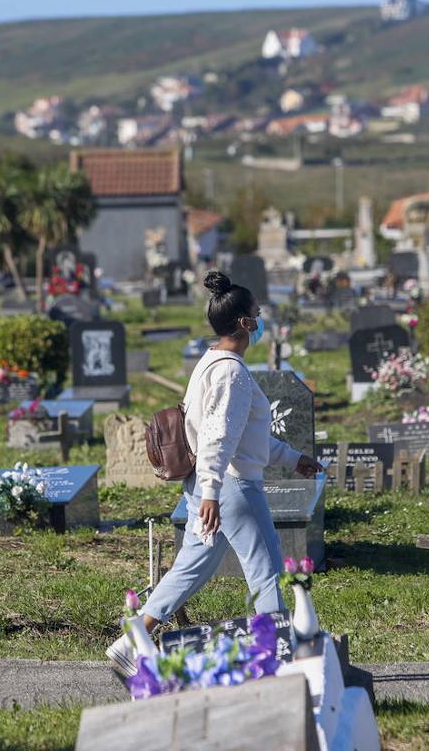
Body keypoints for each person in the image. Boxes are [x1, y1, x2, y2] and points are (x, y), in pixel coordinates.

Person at [105, 270, 323, 677]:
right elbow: (218, 437)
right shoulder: (232, 373)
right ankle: (276, 657)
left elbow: (243, 438)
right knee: (264, 570)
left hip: (213, 483)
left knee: (193, 566)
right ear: (244, 323)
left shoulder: (211, 364)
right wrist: (212, 492)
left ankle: (131, 640)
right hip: (231, 487)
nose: (261, 321)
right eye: (256, 314)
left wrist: (293, 458)